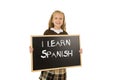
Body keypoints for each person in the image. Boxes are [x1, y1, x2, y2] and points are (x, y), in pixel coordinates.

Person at [29, 10, 82, 80]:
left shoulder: (65, 34)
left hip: (61, 69)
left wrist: (77, 52)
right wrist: (33, 50)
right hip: (48, 68)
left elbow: (68, 51)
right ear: (52, 20)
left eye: (61, 18)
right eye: (56, 18)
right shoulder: (47, 32)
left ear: (63, 21)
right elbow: (42, 49)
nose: (58, 20)